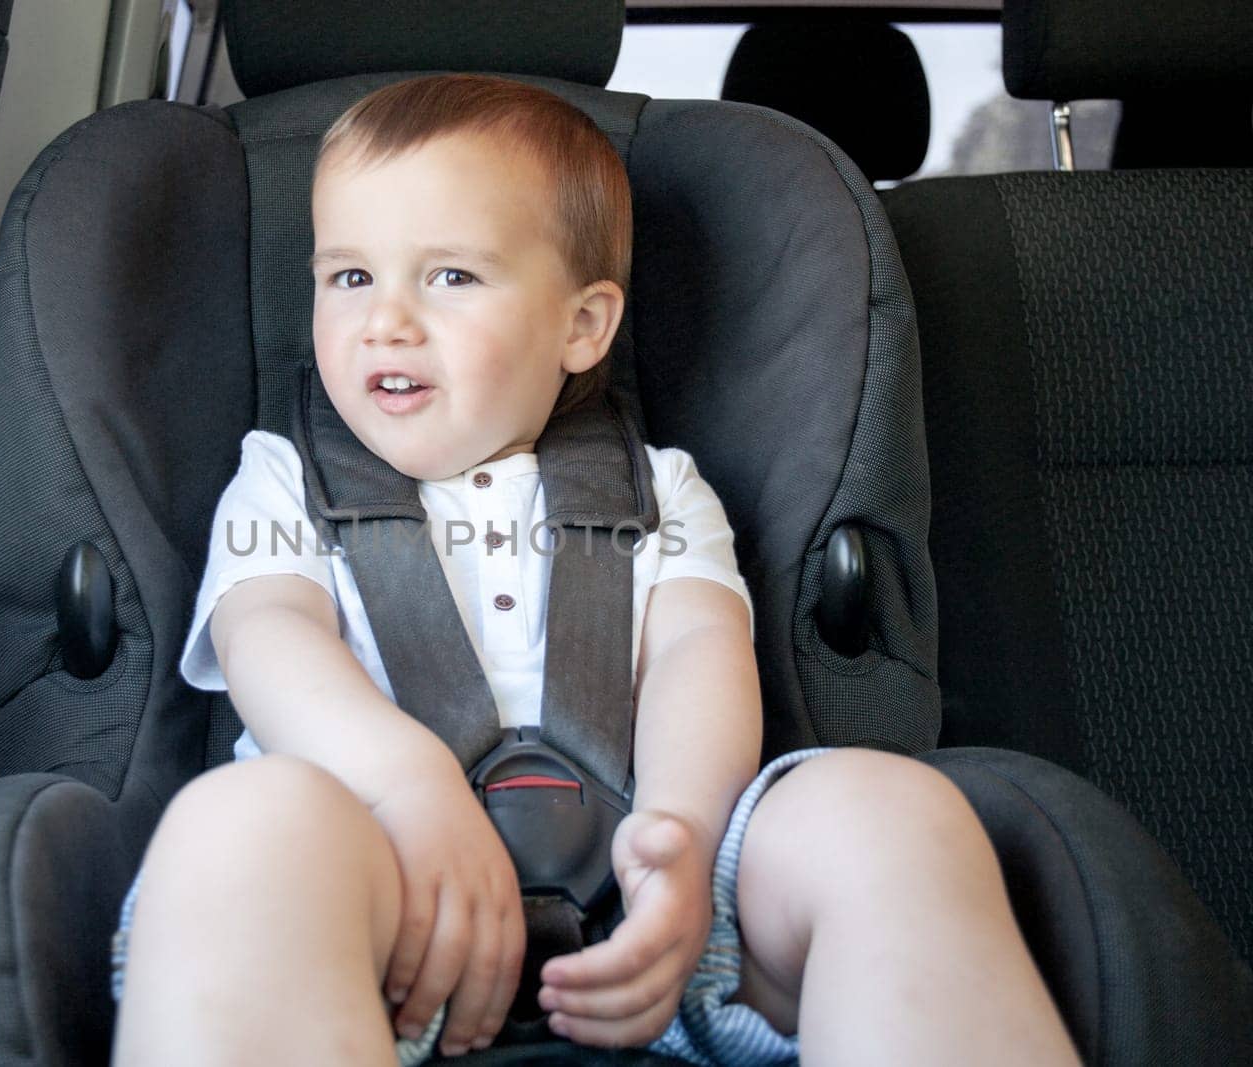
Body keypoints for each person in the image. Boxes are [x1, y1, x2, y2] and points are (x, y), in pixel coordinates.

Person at [110, 74, 1079, 1066]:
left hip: (663, 910)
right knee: (241, 826)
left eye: (450, 276)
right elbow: (267, 632)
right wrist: (406, 784)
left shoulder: (660, 491)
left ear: (582, 325)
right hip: (362, 906)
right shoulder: (279, 480)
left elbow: (696, 651)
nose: (385, 320)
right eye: (349, 277)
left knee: (888, 811)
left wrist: (682, 833)